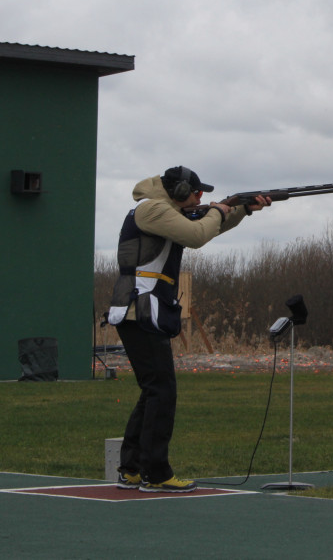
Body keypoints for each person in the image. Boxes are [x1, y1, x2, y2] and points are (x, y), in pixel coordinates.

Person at [107, 166, 270, 493]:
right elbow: (198, 235)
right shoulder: (151, 209)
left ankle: (133, 468)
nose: (201, 198)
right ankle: (155, 473)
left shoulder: (161, 210)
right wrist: (220, 210)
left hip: (139, 309)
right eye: (196, 194)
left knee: (153, 389)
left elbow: (205, 227)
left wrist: (239, 211)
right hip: (143, 309)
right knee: (161, 390)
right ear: (180, 192)